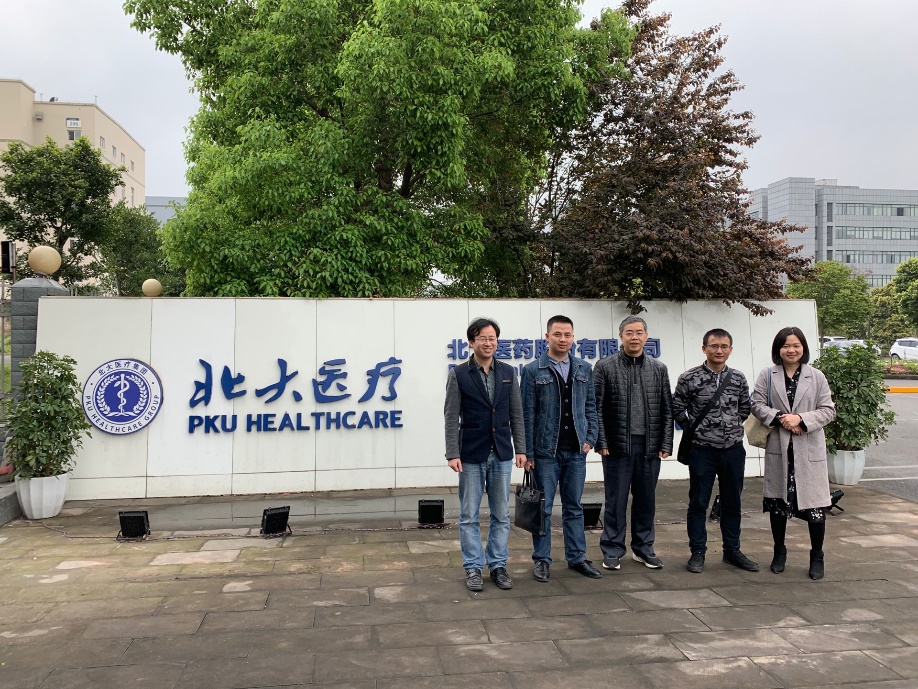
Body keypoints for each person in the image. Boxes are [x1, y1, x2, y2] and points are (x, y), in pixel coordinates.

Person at [444, 317, 527, 592]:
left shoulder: (508, 372)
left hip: (501, 452)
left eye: (492, 338)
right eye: (483, 338)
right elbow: (451, 416)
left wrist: (521, 449)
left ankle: (498, 565)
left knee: (501, 514)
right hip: (470, 452)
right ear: (472, 342)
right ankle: (473, 567)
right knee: (469, 514)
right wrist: (452, 452)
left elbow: (516, 413)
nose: (488, 343)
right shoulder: (459, 374)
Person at [750, 327, 836, 580]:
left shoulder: (816, 376)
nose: (791, 350)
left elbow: (828, 410)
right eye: (786, 345)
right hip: (780, 449)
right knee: (778, 505)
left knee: (815, 508)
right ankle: (779, 552)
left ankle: (817, 556)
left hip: (808, 450)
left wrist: (801, 419)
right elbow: (756, 404)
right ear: (778, 349)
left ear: (803, 348)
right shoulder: (768, 375)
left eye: (796, 345)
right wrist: (780, 418)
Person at [520, 315, 601, 583]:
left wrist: (591, 437)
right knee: (542, 508)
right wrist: (528, 453)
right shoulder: (533, 370)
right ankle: (542, 560)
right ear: (547, 337)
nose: (562, 339)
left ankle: (577, 558)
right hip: (545, 452)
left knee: (574, 507)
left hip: (576, 451)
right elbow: (527, 414)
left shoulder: (583, 368)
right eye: (557, 334)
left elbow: (590, 406)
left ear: (573, 337)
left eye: (567, 334)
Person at [673, 328, 758, 574]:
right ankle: (697, 552)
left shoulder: (738, 378)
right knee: (698, 502)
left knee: (732, 502)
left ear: (730, 350)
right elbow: (677, 407)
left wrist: (729, 428)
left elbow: (745, 408)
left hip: (733, 450)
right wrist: (695, 429)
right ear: (704, 349)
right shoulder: (689, 377)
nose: (719, 351)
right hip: (702, 451)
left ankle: (732, 550)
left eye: (724, 346)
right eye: (714, 346)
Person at [594, 316, 673, 570]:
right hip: (617, 446)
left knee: (646, 500)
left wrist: (665, 442)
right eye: (629, 332)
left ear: (646, 336)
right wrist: (601, 440)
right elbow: (596, 407)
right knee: (615, 500)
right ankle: (612, 549)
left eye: (639, 332)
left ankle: (644, 548)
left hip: (649, 446)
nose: (634, 337)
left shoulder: (658, 369)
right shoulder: (605, 366)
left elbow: (667, 408)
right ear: (621, 336)